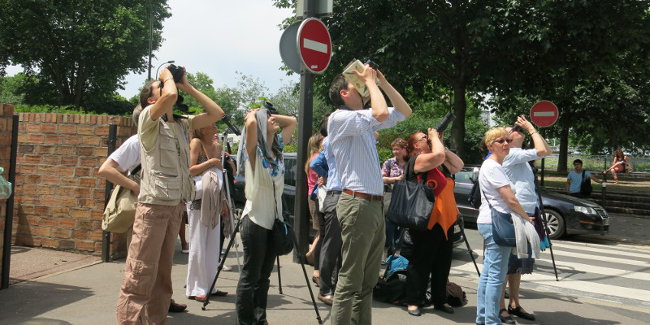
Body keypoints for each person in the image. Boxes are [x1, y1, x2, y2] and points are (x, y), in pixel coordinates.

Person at [116, 66, 225, 324]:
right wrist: (165, 75)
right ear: (152, 100)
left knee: (163, 276)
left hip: (176, 205)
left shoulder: (183, 124)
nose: (168, 88)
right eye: (160, 88)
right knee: (140, 273)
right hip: (153, 207)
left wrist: (187, 85)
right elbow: (169, 98)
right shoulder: (147, 120)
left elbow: (216, 113)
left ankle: (156, 320)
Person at [327, 63, 412, 324]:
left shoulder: (361, 120)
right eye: (357, 85)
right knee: (350, 279)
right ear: (343, 93)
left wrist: (383, 83)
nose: (363, 87)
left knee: (368, 281)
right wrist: (372, 83)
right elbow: (381, 113)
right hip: (357, 203)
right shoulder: (338, 118)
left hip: (373, 206)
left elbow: (405, 112)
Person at [98, 105, 188, 314]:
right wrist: (135, 186)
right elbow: (106, 169)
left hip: (163, 206)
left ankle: (161, 301)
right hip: (144, 207)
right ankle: (139, 309)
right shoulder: (137, 141)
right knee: (141, 264)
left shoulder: (166, 141)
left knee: (161, 260)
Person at [235, 105, 296, 325]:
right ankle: (245, 322)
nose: (274, 120)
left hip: (274, 221)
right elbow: (250, 124)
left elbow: (292, 121)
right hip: (255, 220)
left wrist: (268, 116)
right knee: (251, 276)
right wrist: (255, 114)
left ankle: (260, 320)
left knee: (264, 277)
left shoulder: (277, 148)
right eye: (268, 119)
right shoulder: (254, 151)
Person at [403, 129, 464, 317]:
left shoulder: (440, 163)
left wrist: (440, 143)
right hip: (426, 221)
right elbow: (437, 155)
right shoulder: (417, 161)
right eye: (424, 138)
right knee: (420, 263)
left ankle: (440, 299)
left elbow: (458, 165)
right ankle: (414, 300)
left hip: (445, 222)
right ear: (415, 146)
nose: (428, 140)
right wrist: (435, 139)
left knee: (442, 264)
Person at [475, 127, 533, 325]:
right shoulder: (493, 166)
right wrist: (527, 218)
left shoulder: (491, 165)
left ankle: (483, 318)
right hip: (496, 223)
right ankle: (491, 321)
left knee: (489, 274)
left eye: (507, 140)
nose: (506, 144)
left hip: (489, 221)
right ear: (490, 145)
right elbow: (511, 200)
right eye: (500, 141)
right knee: (496, 277)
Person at [498, 116, 552, 324]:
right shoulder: (511, 154)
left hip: (527, 214)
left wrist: (533, 131)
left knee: (518, 264)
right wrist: (530, 128)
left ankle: (514, 303)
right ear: (504, 140)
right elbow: (542, 151)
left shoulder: (521, 157)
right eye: (510, 130)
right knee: (506, 263)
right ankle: (500, 308)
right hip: (515, 215)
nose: (515, 130)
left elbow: (547, 150)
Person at [185, 123, 229, 302]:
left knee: (212, 243)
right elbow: (190, 169)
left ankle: (211, 284)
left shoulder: (217, 146)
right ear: (202, 128)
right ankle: (196, 287)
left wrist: (224, 200)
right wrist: (211, 162)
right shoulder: (196, 142)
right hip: (198, 199)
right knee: (198, 242)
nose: (216, 129)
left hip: (215, 197)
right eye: (212, 126)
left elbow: (220, 175)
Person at [310, 114, 343, 306]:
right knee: (332, 245)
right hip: (337, 196)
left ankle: (333, 287)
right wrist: (330, 176)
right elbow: (314, 164)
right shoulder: (332, 140)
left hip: (339, 195)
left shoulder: (333, 140)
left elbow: (316, 164)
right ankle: (326, 289)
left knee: (336, 245)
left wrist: (328, 176)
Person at [381, 138, 408, 255]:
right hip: (391, 196)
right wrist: (396, 179)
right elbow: (382, 178)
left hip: (406, 197)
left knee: (403, 225)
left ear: (404, 149)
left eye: (397, 149)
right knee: (389, 225)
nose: (395, 151)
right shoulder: (389, 162)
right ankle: (389, 249)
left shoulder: (411, 162)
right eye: (393, 149)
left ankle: (398, 251)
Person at [305, 133, 324, 282]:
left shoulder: (311, 158)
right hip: (316, 197)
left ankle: (312, 252)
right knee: (321, 230)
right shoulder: (317, 158)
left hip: (312, 196)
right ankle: (311, 253)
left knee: (319, 229)